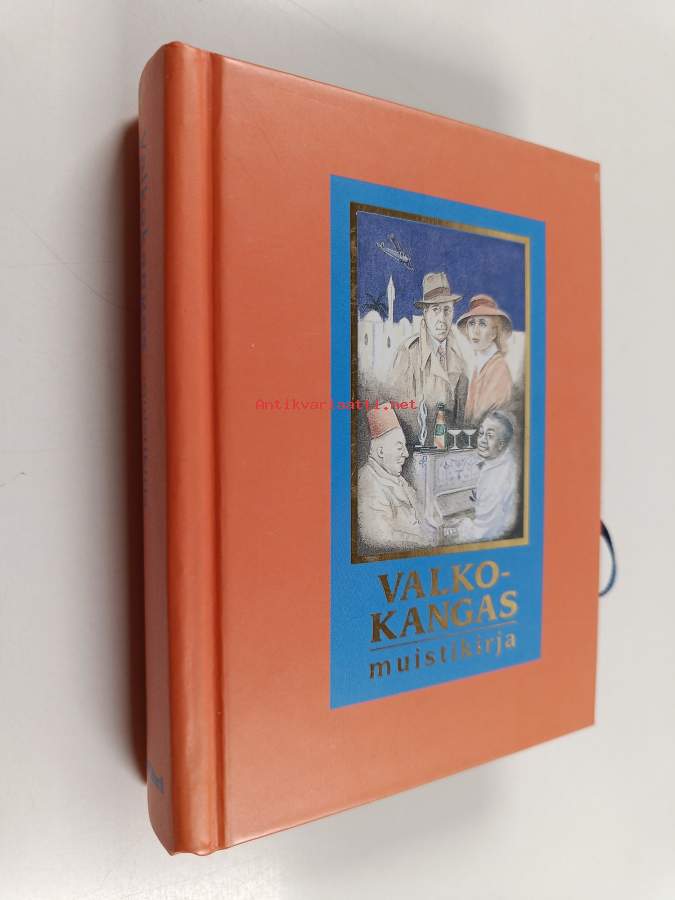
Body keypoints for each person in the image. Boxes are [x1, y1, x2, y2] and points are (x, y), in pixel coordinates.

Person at [390, 272, 468, 429]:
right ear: (425, 313)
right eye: (435, 309)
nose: (442, 319)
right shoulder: (408, 353)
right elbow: (397, 410)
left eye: (447, 310)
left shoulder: (459, 357)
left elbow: (461, 417)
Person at [358, 405, 437, 550]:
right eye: (400, 447)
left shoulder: (394, 476)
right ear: (381, 452)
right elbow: (377, 537)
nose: (406, 454)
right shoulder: (368, 480)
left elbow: (422, 511)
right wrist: (423, 541)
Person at [445, 410, 517, 543]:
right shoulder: (505, 461)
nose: (482, 440)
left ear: (501, 444)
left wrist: (461, 526)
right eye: (481, 433)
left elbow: (483, 534)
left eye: (490, 436)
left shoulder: (496, 480)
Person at [456, 294, 513, 425]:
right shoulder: (479, 365)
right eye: (471, 324)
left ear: (494, 333)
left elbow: (483, 419)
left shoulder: (498, 369)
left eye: (482, 324)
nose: (475, 331)